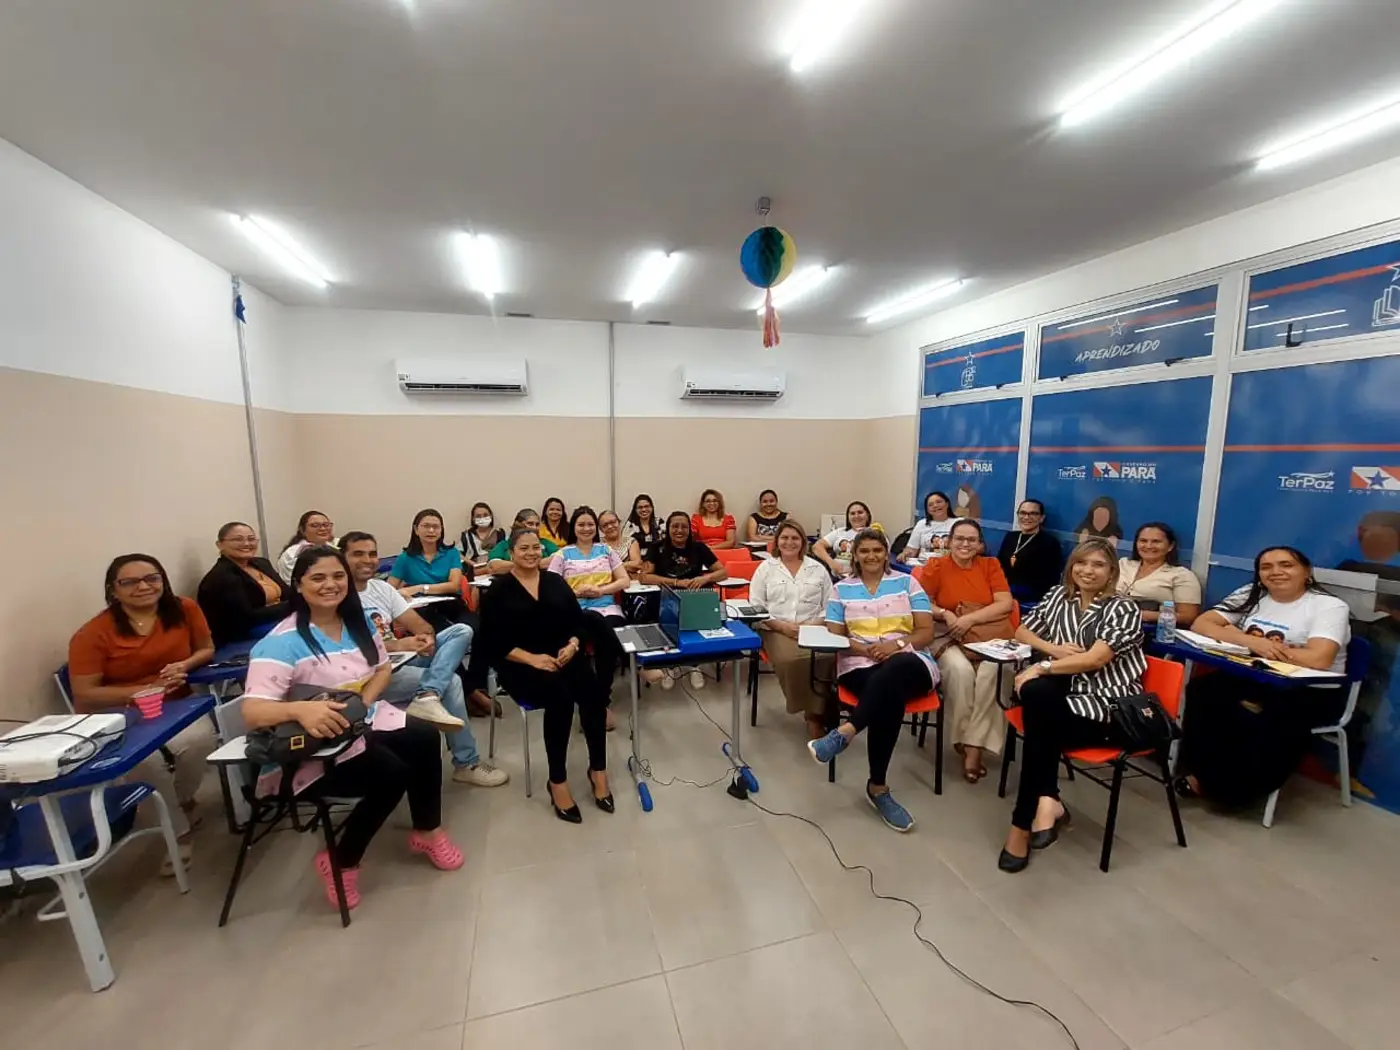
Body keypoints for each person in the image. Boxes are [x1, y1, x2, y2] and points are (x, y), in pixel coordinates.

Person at [242, 546, 464, 910]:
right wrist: (301, 710)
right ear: (298, 584)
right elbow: (252, 712)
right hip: (312, 749)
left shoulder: (357, 624)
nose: (330, 584)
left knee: (424, 736)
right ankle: (341, 860)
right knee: (391, 773)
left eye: (337, 576)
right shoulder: (281, 642)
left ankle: (427, 829)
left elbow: (382, 668)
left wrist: (363, 702)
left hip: (359, 725)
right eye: (318, 578)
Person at [998, 538, 1146, 873]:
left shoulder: (1122, 608)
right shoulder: (1058, 596)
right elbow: (1022, 632)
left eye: (1098, 565)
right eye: (1081, 562)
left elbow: (1095, 660)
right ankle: (1046, 802)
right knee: (1037, 699)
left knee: (1039, 717)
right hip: (1064, 699)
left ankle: (1023, 822)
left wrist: (1043, 665)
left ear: (1112, 572)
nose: (1088, 571)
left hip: (1106, 710)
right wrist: (1054, 649)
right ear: (1071, 566)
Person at [68, 554, 217, 874]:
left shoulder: (184, 608)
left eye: (152, 578)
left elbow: (206, 649)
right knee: (147, 762)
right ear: (113, 589)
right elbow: (85, 692)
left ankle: (180, 801)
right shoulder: (94, 633)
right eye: (130, 582)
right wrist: (143, 690)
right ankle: (177, 832)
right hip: (119, 714)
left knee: (200, 742)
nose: (143, 587)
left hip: (177, 703)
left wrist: (184, 665)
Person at [1175, 546, 1351, 809]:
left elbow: (1319, 658)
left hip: (1308, 689)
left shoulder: (1328, 606)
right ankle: (1201, 770)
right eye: (1266, 567)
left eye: (1286, 565)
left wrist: (1256, 645)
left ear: (1307, 572)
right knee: (1204, 690)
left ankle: (1231, 790)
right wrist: (1251, 642)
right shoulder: (1251, 593)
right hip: (1256, 675)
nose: (1276, 572)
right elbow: (1201, 623)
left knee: (1260, 713)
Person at [341, 531, 508, 787]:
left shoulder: (381, 588)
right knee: (451, 682)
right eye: (358, 554)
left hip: (401, 661)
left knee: (461, 631)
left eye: (372, 554)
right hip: (372, 675)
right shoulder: (337, 595)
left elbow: (419, 625)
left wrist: (426, 638)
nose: (368, 560)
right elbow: (344, 650)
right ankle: (466, 762)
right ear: (342, 558)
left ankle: (428, 693)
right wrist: (397, 644)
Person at [807, 528, 940, 833]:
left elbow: (926, 632)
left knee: (895, 670)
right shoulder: (842, 589)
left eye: (877, 550)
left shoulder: (907, 582)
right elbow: (836, 636)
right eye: (864, 551)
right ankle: (878, 787)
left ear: (886, 554)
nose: (871, 556)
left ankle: (846, 732)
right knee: (888, 696)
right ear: (854, 555)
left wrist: (895, 646)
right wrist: (864, 649)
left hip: (911, 661)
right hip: (859, 663)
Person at [478, 528, 613, 823]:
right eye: (524, 548)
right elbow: (490, 641)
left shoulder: (554, 581)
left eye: (535, 547)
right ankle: (557, 781)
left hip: (562, 655)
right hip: (519, 664)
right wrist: (532, 659)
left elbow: (579, 623)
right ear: (511, 552)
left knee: (592, 694)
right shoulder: (499, 590)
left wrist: (573, 645)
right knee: (560, 698)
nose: (531, 553)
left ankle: (598, 770)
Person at [916, 519, 1016, 783]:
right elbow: (921, 602)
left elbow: (1005, 604)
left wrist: (969, 619)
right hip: (945, 633)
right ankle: (964, 738)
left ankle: (973, 746)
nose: (965, 544)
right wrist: (945, 613)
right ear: (949, 541)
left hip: (987, 634)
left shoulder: (990, 565)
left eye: (972, 539)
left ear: (980, 544)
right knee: (960, 671)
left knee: (996, 671)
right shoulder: (936, 566)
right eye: (959, 538)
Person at [748, 520, 834, 739]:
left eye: (795, 538)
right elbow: (756, 606)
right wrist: (782, 626)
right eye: (784, 538)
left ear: (803, 542)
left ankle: (817, 713)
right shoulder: (766, 569)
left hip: (813, 626)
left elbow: (831, 605)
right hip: (774, 628)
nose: (789, 542)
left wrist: (812, 625)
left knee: (828, 658)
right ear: (777, 541)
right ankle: (812, 715)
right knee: (793, 660)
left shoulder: (818, 569)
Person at [548, 506, 631, 728]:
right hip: (575, 611)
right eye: (581, 524)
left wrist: (601, 590)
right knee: (589, 630)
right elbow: (550, 588)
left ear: (596, 527)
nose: (586, 528)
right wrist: (575, 593)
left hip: (607, 608)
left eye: (590, 524)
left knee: (607, 638)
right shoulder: (562, 554)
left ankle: (600, 701)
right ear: (573, 527)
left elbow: (624, 580)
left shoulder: (606, 550)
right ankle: (631, 667)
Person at [642, 512, 729, 690]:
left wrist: (705, 578)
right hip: (666, 596)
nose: (679, 530)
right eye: (675, 526)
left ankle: (694, 665)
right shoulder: (657, 547)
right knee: (666, 628)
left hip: (693, 596)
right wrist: (675, 582)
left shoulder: (699, 548)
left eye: (684, 526)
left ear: (690, 529)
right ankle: (669, 666)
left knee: (695, 627)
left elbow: (723, 572)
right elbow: (644, 577)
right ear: (668, 528)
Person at [197, 521, 290, 647]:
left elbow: (287, 593)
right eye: (238, 539)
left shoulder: (261, 564)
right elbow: (247, 618)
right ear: (220, 545)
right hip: (244, 633)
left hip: (277, 619)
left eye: (251, 539)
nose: (246, 544)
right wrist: (293, 605)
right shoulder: (221, 577)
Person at [1117, 522, 1201, 626]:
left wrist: (1137, 614)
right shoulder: (1123, 564)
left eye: (1156, 542)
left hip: (1149, 628)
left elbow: (1187, 617)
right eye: (1143, 541)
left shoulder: (1182, 575)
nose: (1148, 546)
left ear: (1170, 546)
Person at [996, 499, 1063, 603]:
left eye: (1033, 513)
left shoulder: (1049, 543)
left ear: (1042, 518)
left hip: (1029, 599)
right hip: (1002, 593)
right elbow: (998, 566)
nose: (1027, 517)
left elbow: (1049, 579)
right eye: (1023, 513)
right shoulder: (1011, 536)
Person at [487, 508, 561, 574]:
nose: (535, 528)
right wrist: (533, 564)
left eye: (537, 524)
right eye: (530, 524)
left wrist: (523, 565)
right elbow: (495, 567)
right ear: (518, 524)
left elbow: (558, 560)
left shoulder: (545, 543)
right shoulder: (504, 545)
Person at [813, 501, 873, 577]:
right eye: (852, 513)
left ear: (867, 515)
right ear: (848, 517)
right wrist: (832, 563)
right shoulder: (840, 532)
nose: (856, 516)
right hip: (839, 577)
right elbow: (816, 547)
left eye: (860, 512)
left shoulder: (875, 533)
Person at [277, 510, 337, 582]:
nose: (323, 529)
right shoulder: (294, 553)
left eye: (326, 525)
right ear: (302, 530)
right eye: (315, 525)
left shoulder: (331, 546)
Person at [901, 491, 956, 561]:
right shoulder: (921, 524)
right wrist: (904, 554)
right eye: (930, 505)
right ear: (927, 510)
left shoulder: (960, 522)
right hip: (925, 564)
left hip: (951, 564)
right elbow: (912, 550)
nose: (935, 506)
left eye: (938, 502)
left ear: (947, 504)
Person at [460, 502, 504, 570]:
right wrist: (472, 563)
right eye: (478, 516)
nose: (482, 518)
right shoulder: (467, 535)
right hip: (474, 570)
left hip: (497, 569)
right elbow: (457, 553)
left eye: (485, 515)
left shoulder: (500, 533)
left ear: (491, 516)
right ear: (473, 519)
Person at [599, 508, 643, 576]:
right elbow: (597, 568)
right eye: (605, 525)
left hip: (630, 580)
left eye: (613, 522)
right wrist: (627, 565)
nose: (610, 526)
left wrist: (610, 567)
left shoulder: (631, 541)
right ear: (601, 529)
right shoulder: (598, 544)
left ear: (619, 522)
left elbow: (637, 565)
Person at [625, 493, 663, 567]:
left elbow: (666, 543)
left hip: (659, 564)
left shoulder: (659, 522)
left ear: (652, 508)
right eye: (640, 507)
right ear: (635, 510)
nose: (644, 509)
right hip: (638, 566)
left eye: (646, 506)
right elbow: (625, 547)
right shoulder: (630, 526)